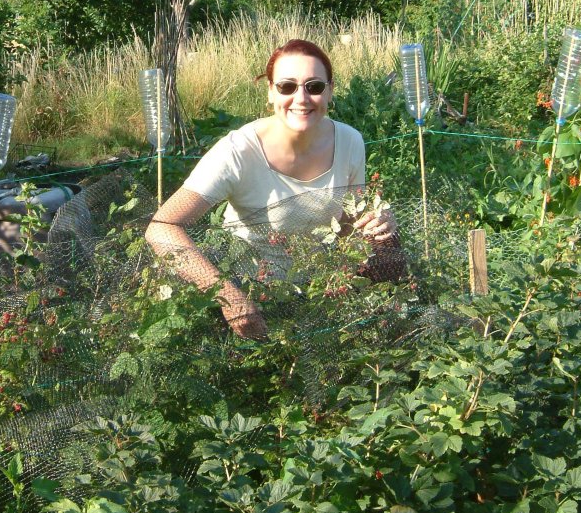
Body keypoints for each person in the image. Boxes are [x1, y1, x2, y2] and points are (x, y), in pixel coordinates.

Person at [145, 39, 398, 339]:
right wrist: (229, 297)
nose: (301, 98)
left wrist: (375, 224)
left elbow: (346, 227)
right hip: (254, 297)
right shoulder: (238, 151)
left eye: (314, 86)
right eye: (287, 86)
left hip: (321, 296)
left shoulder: (349, 141)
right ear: (270, 91)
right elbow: (161, 228)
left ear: (330, 90)